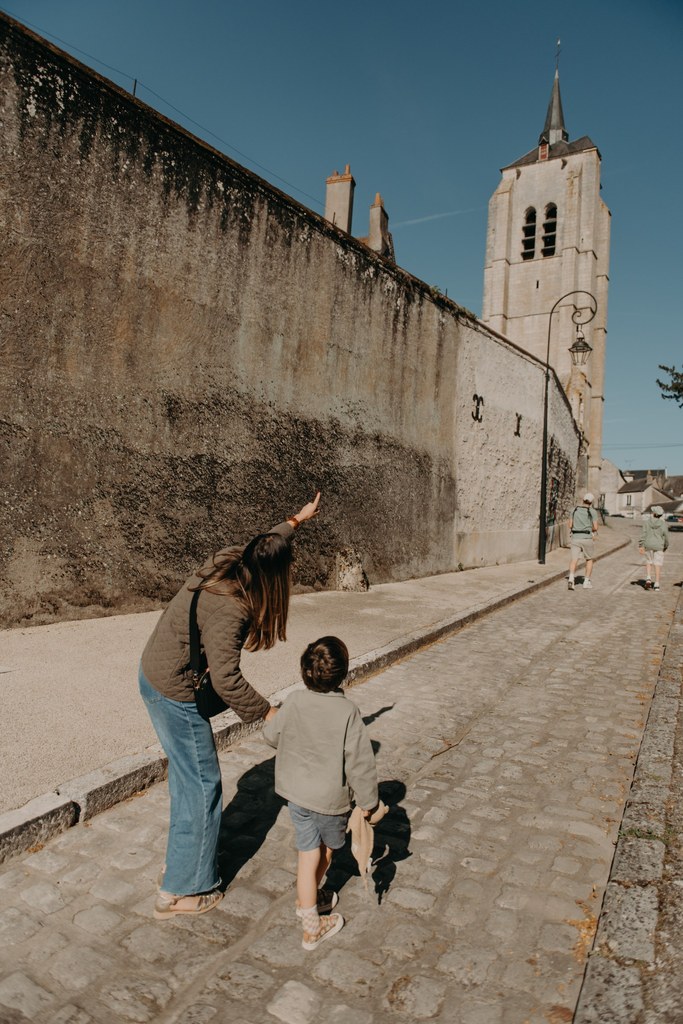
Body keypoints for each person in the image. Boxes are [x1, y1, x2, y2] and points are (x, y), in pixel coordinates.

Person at [139, 492, 321, 919]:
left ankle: (181, 866)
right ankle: (185, 891)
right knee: (203, 785)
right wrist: (269, 714)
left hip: (157, 672)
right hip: (174, 690)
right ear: (273, 579)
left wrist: (297, 520)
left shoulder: (233, 558)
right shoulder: (232, 608)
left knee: (188, 783)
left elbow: (269, 542)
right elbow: (226, 679)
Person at [262, 636, 379, 950]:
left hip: (296, 796)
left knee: (306, 853)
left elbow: (272, 736)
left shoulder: (295, 701)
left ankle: (307, 900)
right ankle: (311, 921)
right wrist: (368, 803)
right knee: (325, 852)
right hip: (328, 801)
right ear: (342, 674)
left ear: (305, 672)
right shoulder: (348, 712)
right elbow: (361, 764)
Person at [568, 492, 599, 590]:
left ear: (583, 500)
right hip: (587, 537)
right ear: (591, 502)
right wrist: (590, 529)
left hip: (575, 537)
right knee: (589, 559)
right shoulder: (592, 512)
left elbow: (570, 525)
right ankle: (586, 582)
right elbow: (596, 527)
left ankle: (571, 579)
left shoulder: (574, 510)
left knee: (574, 560)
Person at [639, 505, 669, 591]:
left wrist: (641, 545)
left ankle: (648, 578)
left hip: (648, 545)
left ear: (654, 513)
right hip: (659, 546)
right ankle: (656, 584)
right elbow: (666, 537)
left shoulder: (647, 522)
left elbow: (643, 534)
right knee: (657, 564)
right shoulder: (663, 524)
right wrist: (666, 546)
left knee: (649, 561)